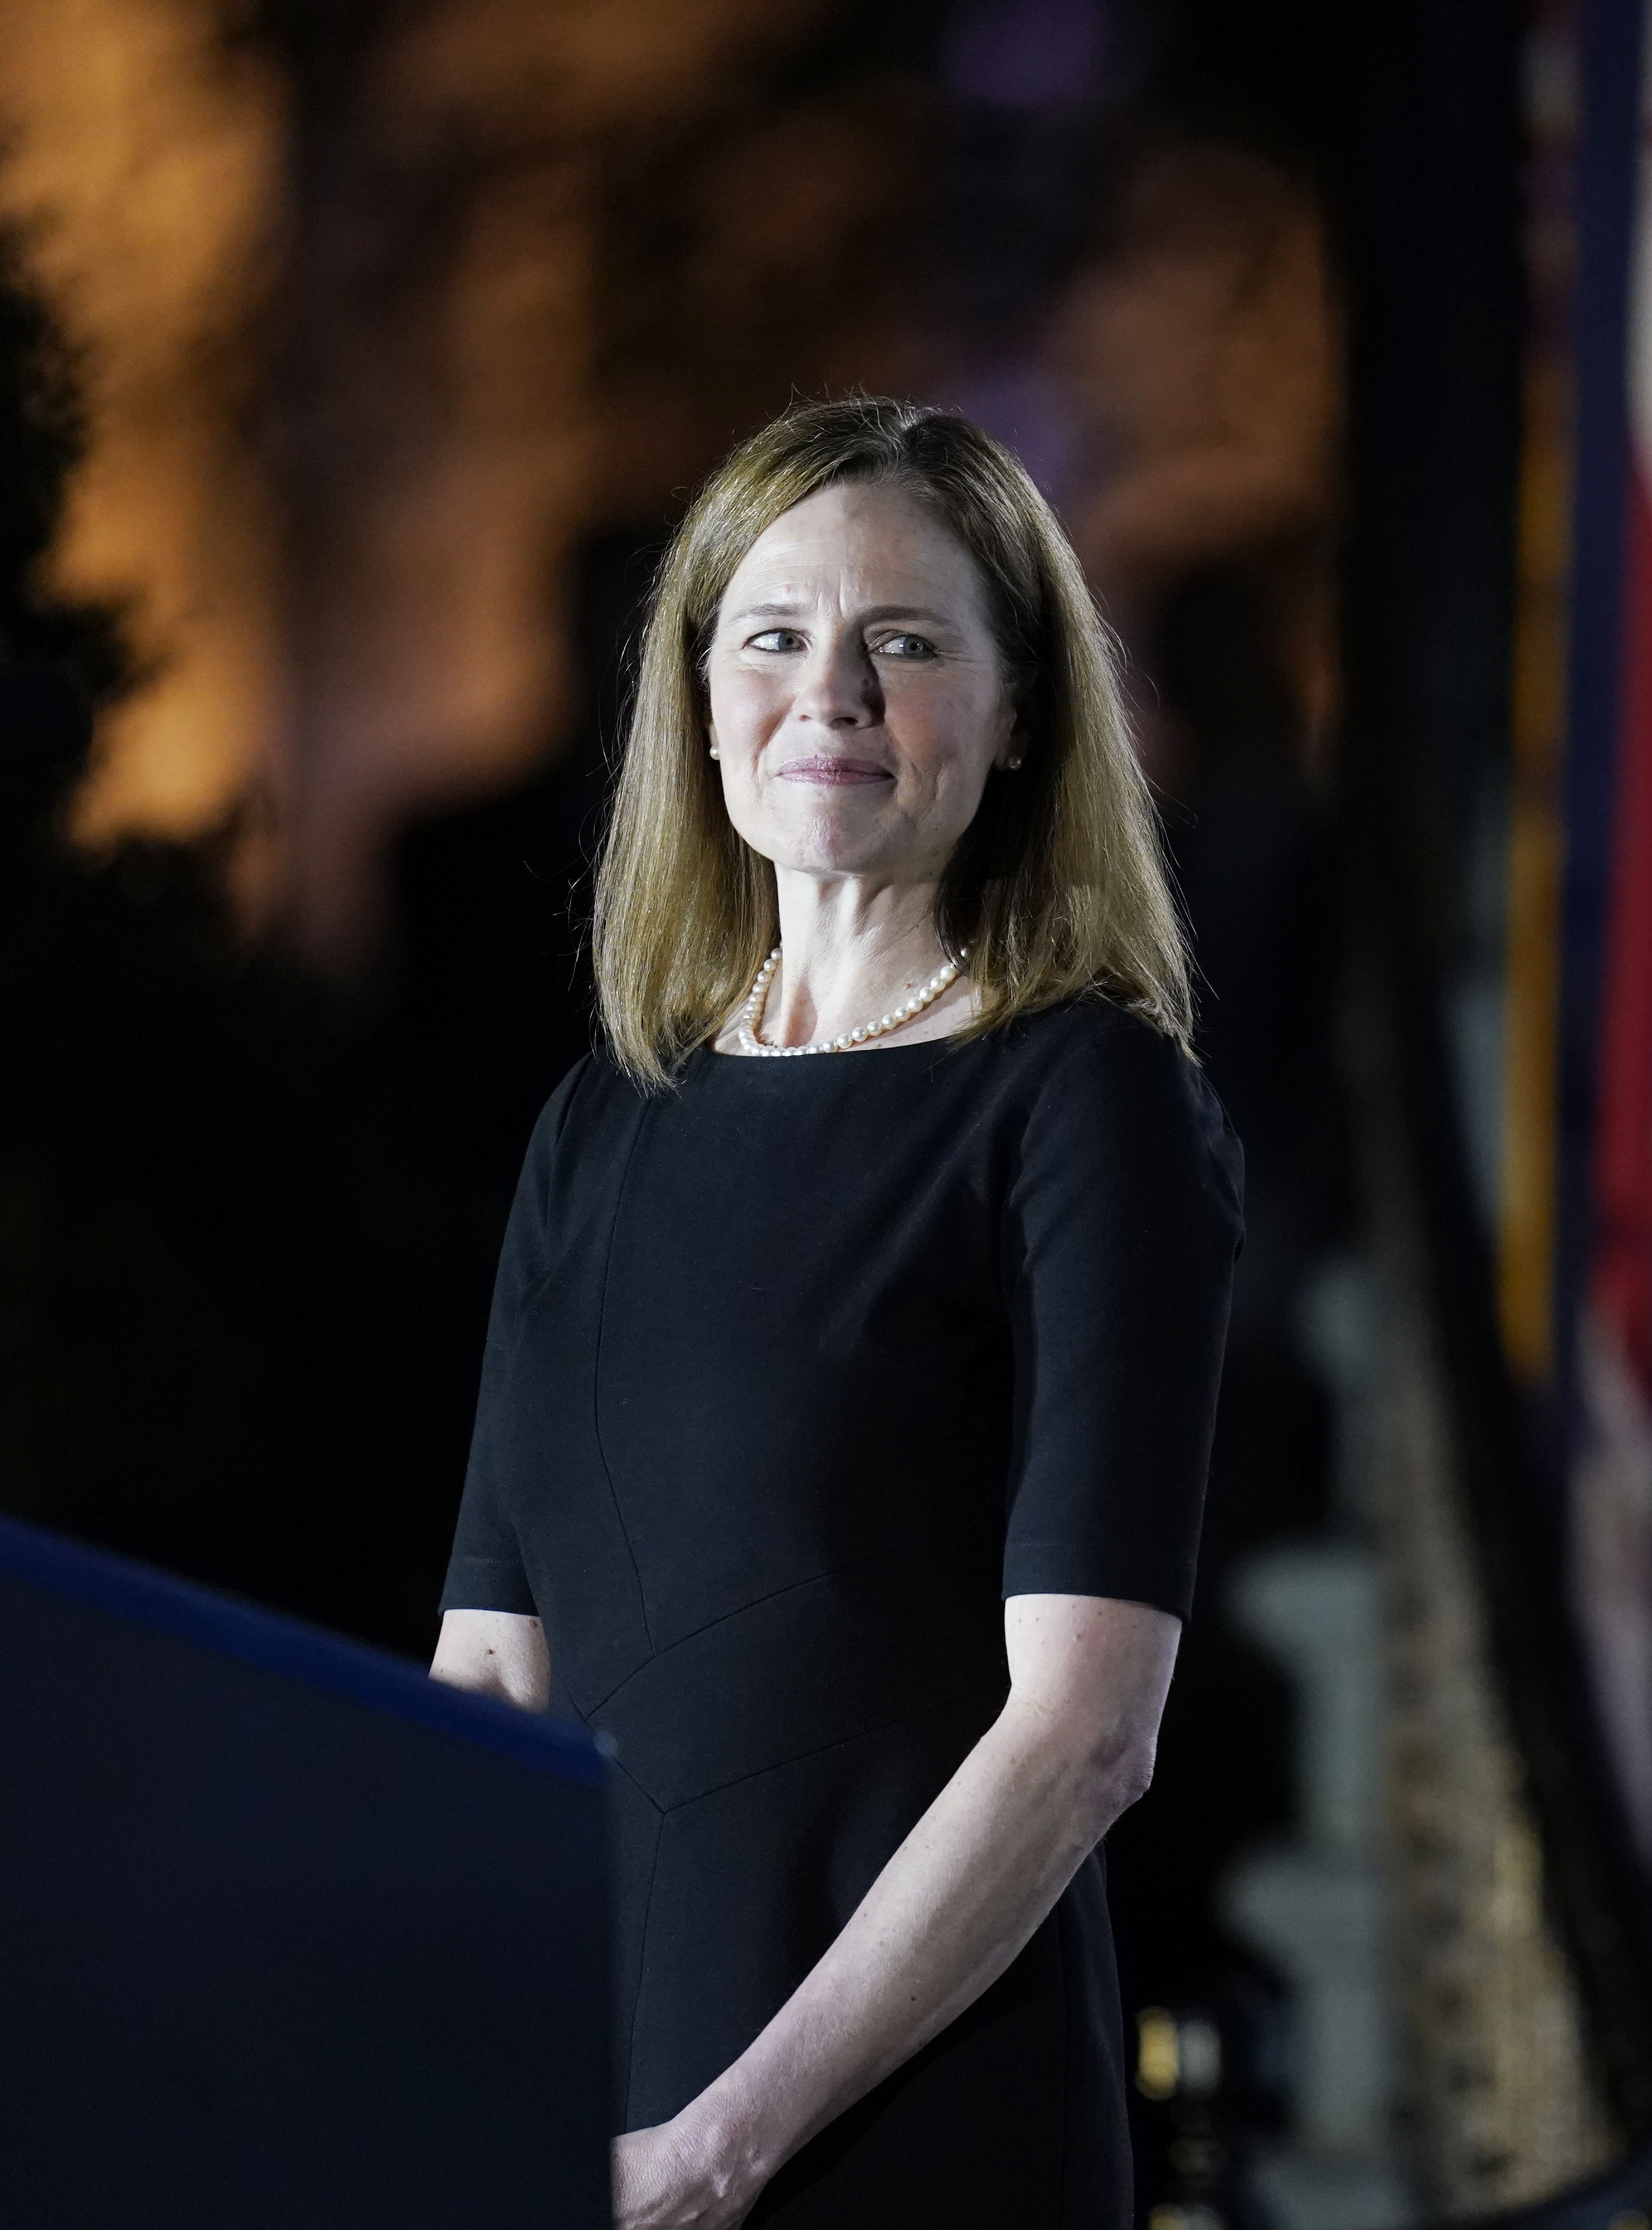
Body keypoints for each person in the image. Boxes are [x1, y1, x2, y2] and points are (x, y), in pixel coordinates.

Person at [429, 396, 1241, 2229]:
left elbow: (1087, 1732)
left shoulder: (1085, 1099)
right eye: (775, 637)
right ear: (699, 699)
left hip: (900, 2125)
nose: (836, 695)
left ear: (1020, 710)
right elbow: (491, 1675)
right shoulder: (606, 1117)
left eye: (909, 642)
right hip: (600, 2117)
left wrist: (725, 2147)